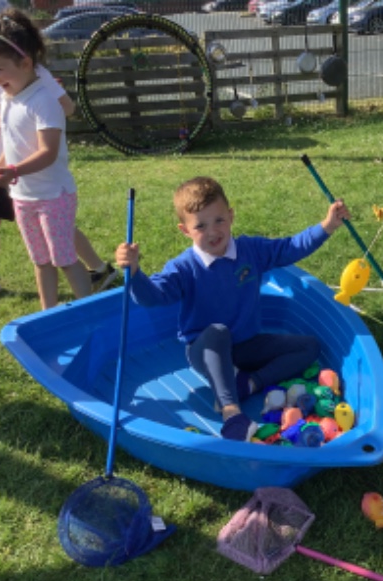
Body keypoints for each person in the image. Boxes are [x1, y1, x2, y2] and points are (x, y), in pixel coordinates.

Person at [115, 176, 351, 441]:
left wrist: (327, 226)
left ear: (231, 215)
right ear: (185, 230)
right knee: (218, 331)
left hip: (247, 345)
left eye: (219, 220)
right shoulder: (183, 267)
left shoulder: (251, 250)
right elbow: (152, 297)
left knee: (310, 347)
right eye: (200, 225)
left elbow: (290, 248)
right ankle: (231, 413)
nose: (213, 231)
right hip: (206, 350)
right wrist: (134, 273)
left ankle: (248, 384)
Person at [0, 0, 117, 303]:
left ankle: (86, 311)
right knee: (41, 262)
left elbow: (48, 152)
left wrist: (14, 170)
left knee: (64, 259)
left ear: (26, 63)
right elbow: (11, 145)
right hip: (23, 197)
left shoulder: (43, 101)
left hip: (53, 196)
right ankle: (48, 314)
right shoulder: (9, 98)